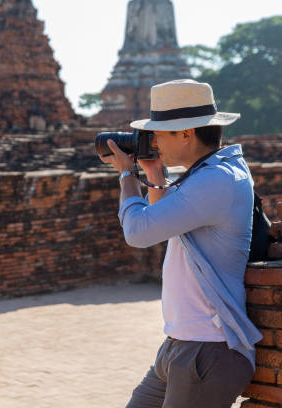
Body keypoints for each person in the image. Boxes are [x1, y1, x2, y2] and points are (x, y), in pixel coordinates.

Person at [100, 79, 262, 408]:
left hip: (207, 347)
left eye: (158, 133)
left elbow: (139, 232)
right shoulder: (206, 174)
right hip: (181, 343)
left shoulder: (217, 179)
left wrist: (126, 176)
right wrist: (154, 175)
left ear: (186, 133)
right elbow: (163, 221)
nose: (152, 140)